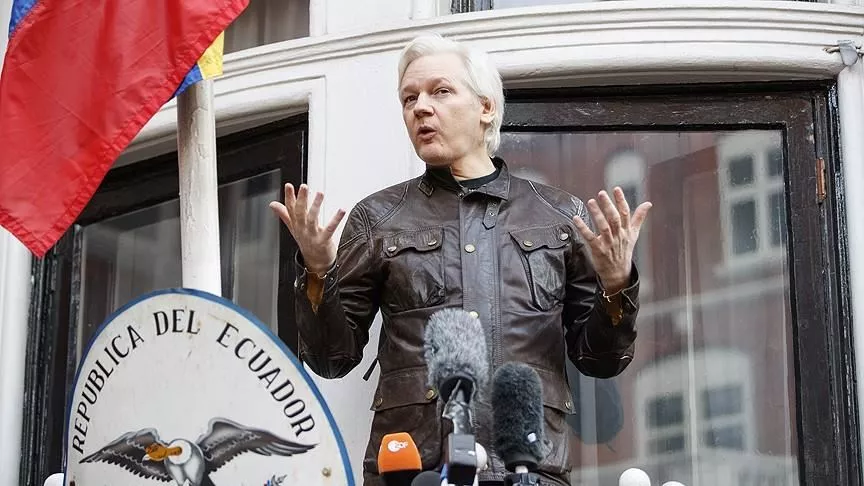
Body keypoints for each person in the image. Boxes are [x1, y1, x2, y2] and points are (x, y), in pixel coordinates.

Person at [269, 33, 651, 486]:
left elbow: (601, 360)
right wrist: (317, 273)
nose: (420, 108)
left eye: (440, 91)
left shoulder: (559, 215)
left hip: (530, 470)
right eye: (409, 98)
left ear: (486, 107)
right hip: (415, 472)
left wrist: (616, 285)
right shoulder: (378, 217)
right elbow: (331, 359)